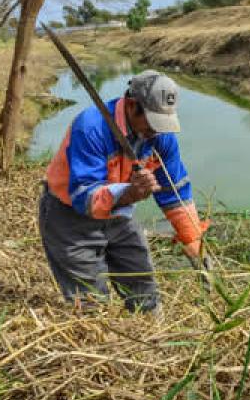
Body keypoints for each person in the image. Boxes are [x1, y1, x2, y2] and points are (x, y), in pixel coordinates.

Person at [38, 70, 207, 314]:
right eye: (152, 121)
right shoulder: (91, 128)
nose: (156, 131)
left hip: (118, 216)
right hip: (70, 219)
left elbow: (174, 189)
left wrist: (193, 241)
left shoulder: (160, 136)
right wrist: (129, 194)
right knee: (91, 303)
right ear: (131, 105)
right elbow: (84, 198)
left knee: (143, 286)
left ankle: (152, 338)